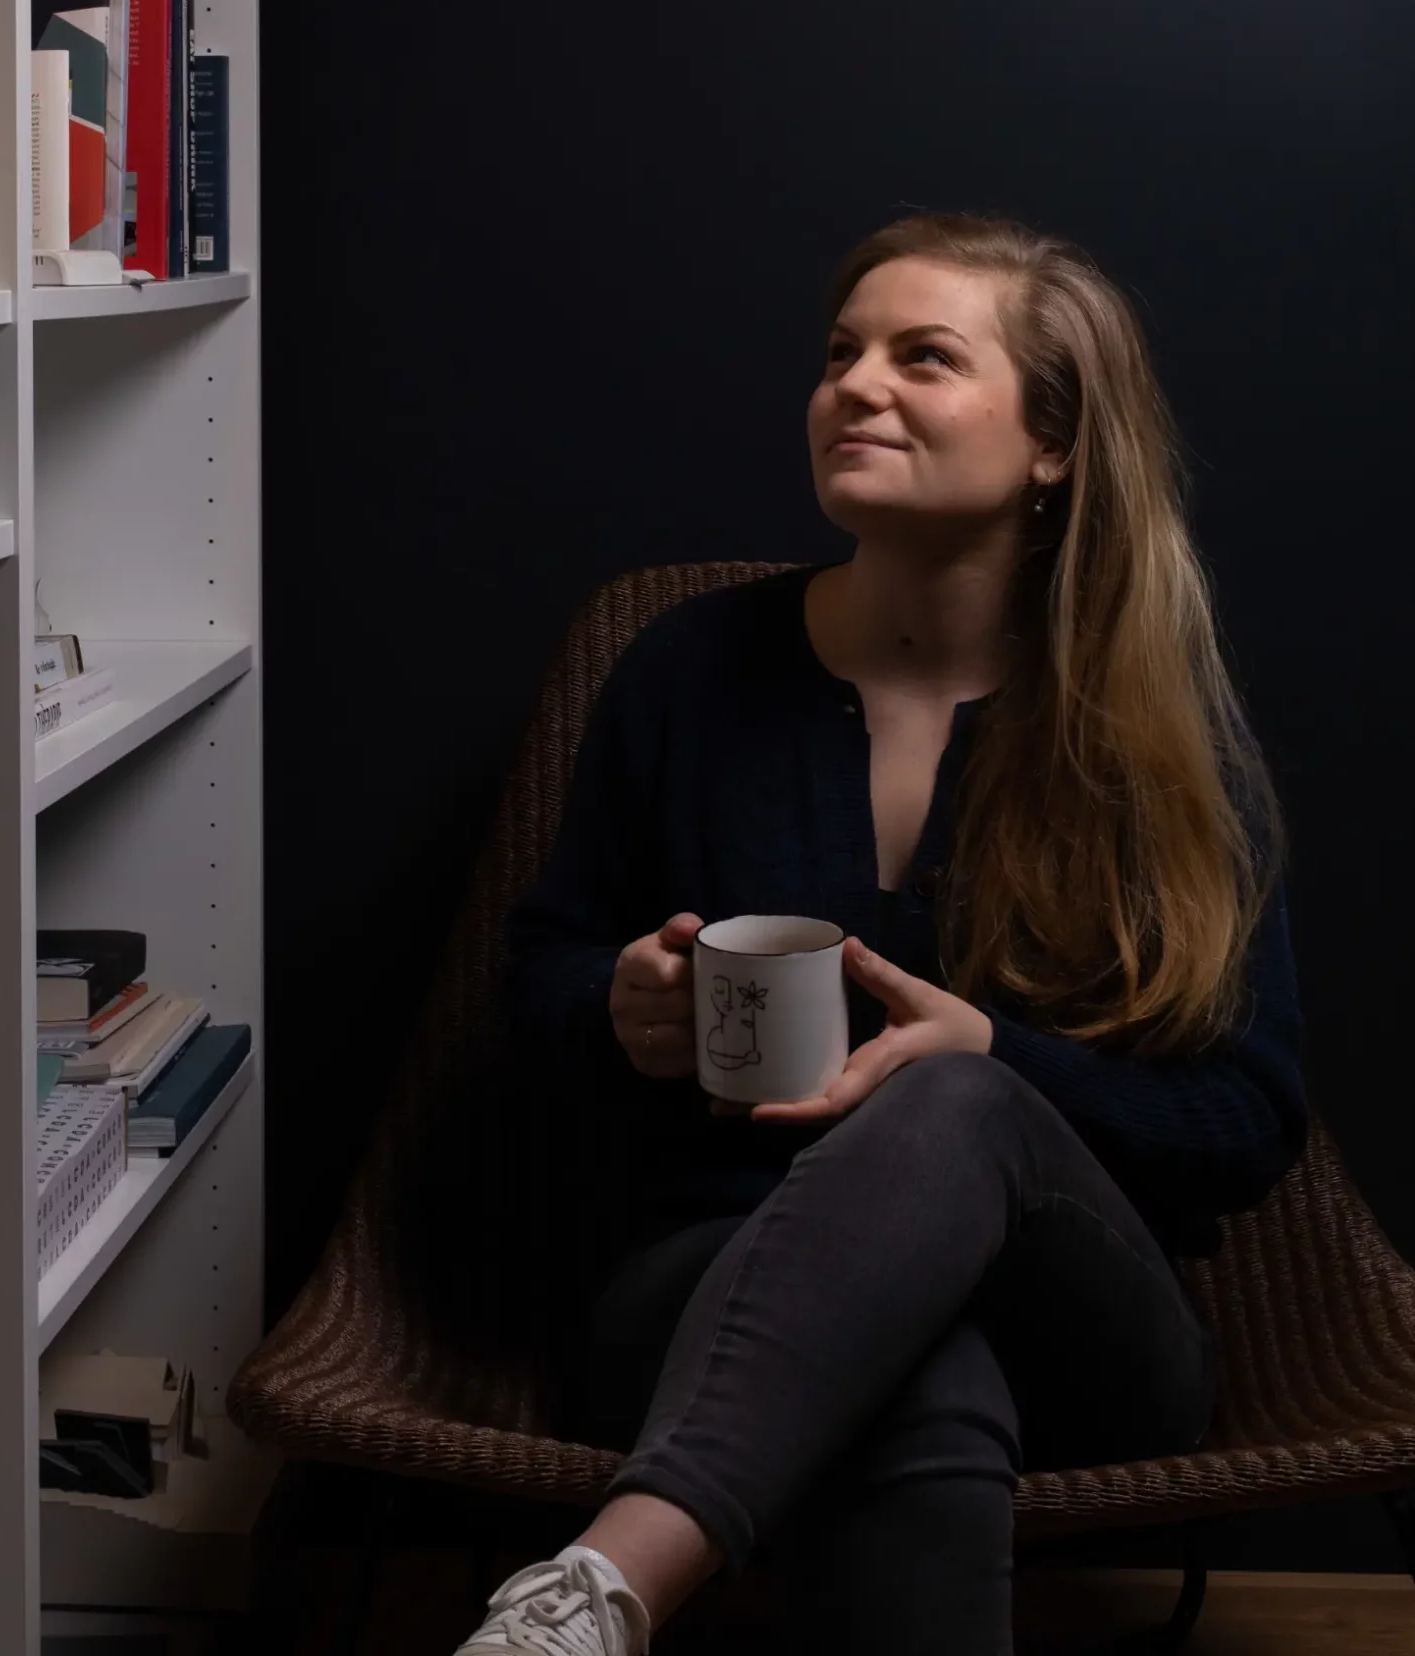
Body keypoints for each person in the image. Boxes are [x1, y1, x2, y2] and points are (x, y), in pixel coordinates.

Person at [455, 212, 1307, 1656]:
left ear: (1051, 445)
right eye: (840, 354)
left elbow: (1248, 1119)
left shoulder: (1149, 733)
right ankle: (579, 1613)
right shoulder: (688, 670)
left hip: (1085, 1329)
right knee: (915, 1375)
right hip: (703, 1288)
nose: (856, 384)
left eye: (924, 357)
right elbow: (537, 979)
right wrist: (617, 1003)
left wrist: (998, 1059)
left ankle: (602, 1585)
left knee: (960, 1089)